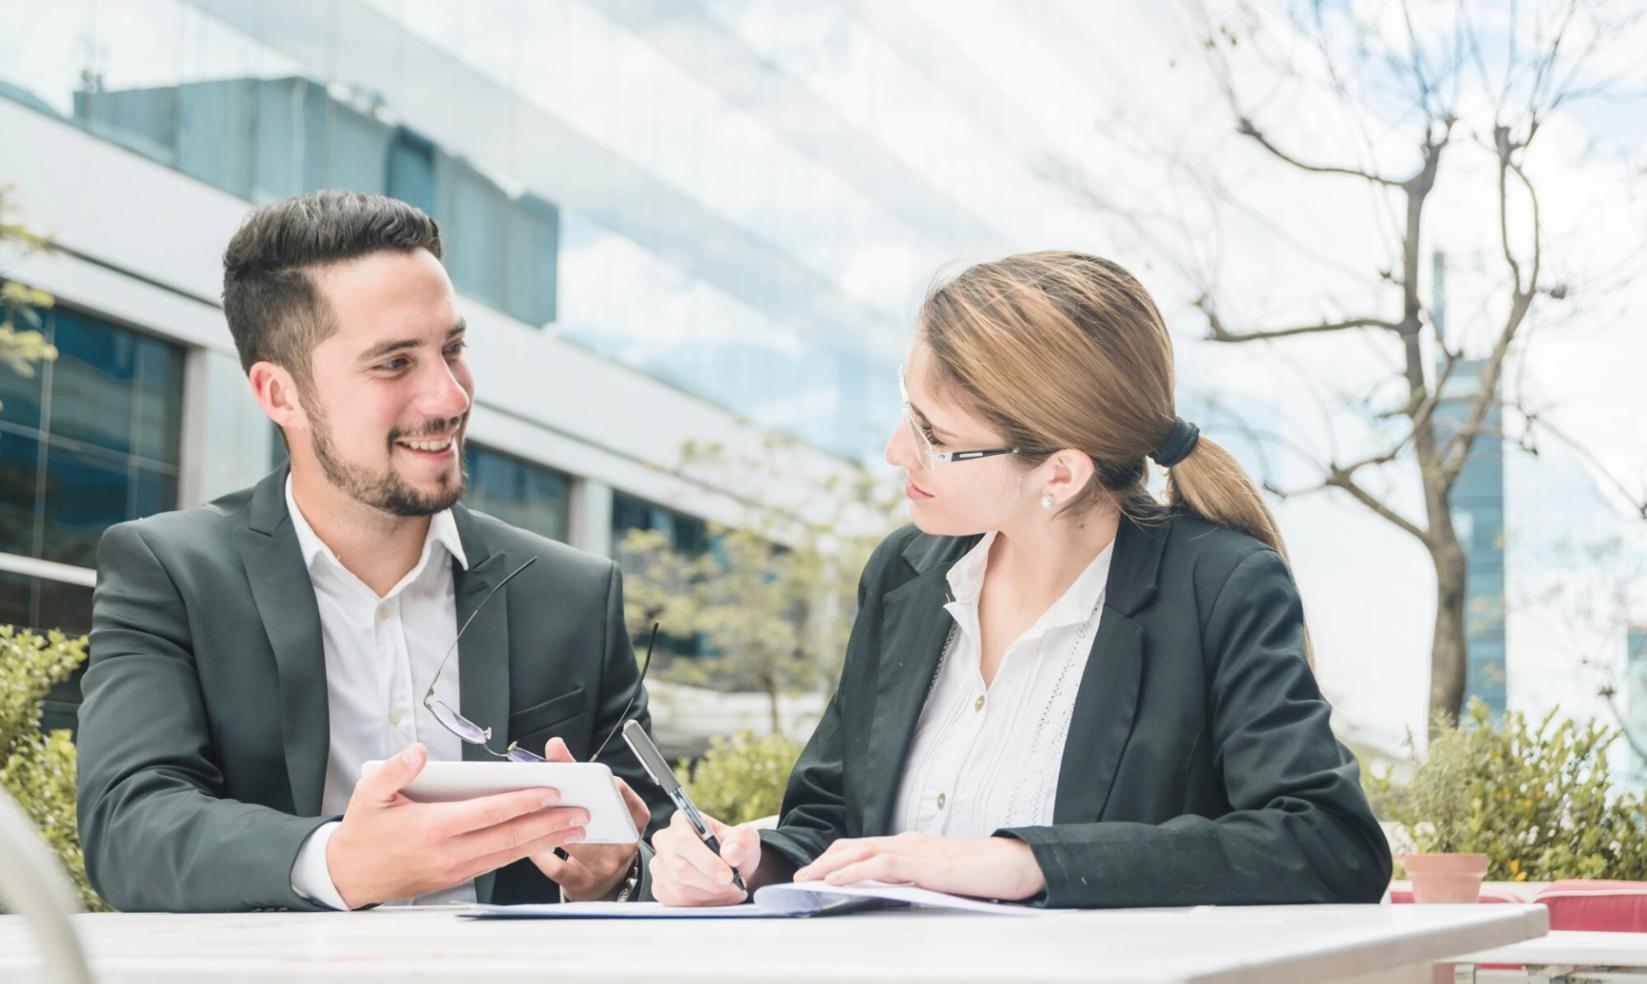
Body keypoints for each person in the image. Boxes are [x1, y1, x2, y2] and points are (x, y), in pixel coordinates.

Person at [649, 251, 1392, 908]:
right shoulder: (905, 574)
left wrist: (1026, 862)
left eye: (935, 435)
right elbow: (831, 822)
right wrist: (751, 861)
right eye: (909, 412)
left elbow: (1329, 844)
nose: (896, 449)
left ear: (1059, 474)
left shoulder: (1218, 587)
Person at [77, 190, 670, 912]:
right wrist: (335, 862)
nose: (449, 398)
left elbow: (659, 840)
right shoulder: (169, 572)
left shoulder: (572, 593)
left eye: (452, 349)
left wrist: (615, 874)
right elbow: (129, 824)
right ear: (280, 393)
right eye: (394, 363)